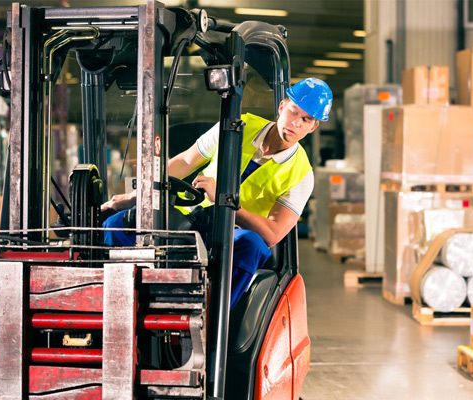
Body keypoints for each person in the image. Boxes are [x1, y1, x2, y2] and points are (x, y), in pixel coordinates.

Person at [101, 77, 332, 307]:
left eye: (306, 119)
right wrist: (137, 196)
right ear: (282, 106)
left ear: (314, 126)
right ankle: (123, 307)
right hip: (188, 216)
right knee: (116, 225)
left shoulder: (302, 175)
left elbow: (273, 233)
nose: (296, 123)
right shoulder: (238, 125)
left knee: (252, 246)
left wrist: (225, 200)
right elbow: (185, 161)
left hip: (231, 232)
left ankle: (211, 323)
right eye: (293, 112)